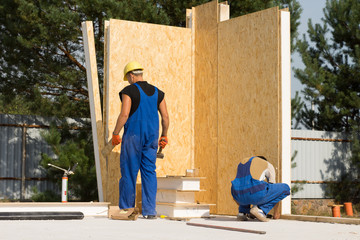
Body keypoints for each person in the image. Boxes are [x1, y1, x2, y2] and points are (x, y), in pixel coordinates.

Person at [112, 61, 170, 219]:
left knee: (129, 173)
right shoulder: (158, 92)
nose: (129, 81)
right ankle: (150, 211)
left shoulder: (129, 91)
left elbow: (124, 115)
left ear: (131, 76)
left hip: (133, 137)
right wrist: (164, 135)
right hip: (151, 138)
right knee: (149, 173)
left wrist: (116, 133)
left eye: (128, 78)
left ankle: (127, 210)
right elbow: (165, 117)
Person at [231, 156, 290, 222]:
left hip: (236, 195)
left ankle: (242, 213)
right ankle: (261, 210)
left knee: (246, 187)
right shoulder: (267, 164)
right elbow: (273, 192)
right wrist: (276, 213)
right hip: (254, 194)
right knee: (285, 188)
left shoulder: (243, 162)